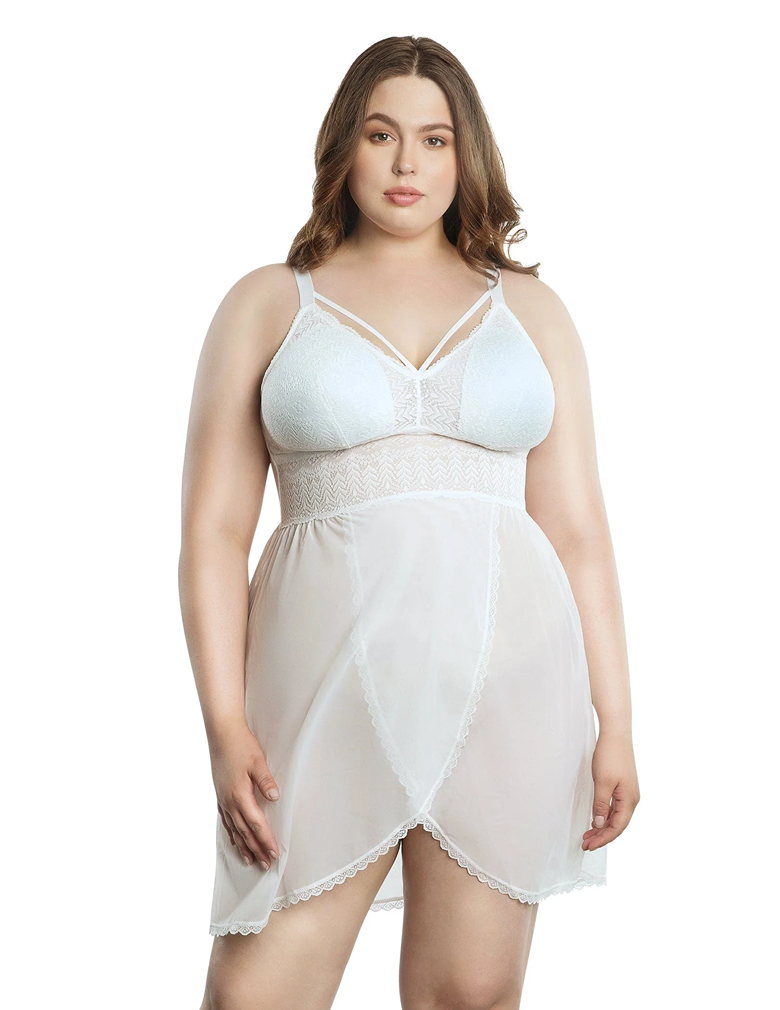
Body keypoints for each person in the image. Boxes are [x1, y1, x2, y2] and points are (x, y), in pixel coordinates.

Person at [179, 34, 640, 1010]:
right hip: (322, 688)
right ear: (343, 145)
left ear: (467, 155)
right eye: (381, 134)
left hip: (507, 685)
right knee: (254, 997)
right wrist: (223, 724)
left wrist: (619, 723)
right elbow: (214, 533)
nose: (406, 164)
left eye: (435, 140)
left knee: (469, 994)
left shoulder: (533, 312)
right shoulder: (268, 304)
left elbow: (577, 529)